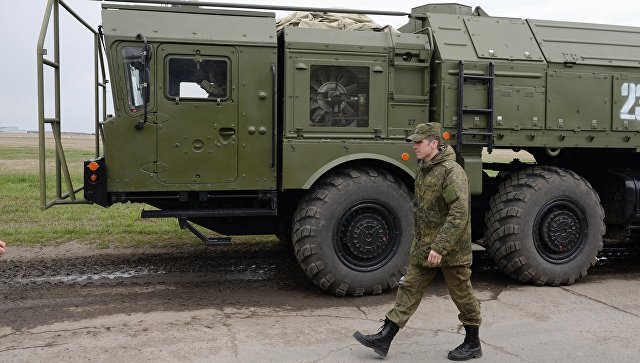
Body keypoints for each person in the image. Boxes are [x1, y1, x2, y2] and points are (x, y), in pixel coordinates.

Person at [353, 123, 482, 361]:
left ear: (434, 143)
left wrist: (440, 247)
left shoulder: (451, 172)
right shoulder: (425, 169)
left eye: (419, 142)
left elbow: (459, 213)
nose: (414, 147)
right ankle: (385, 337)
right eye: (414, 142)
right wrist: (425, 244)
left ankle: (473, 342)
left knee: (462, 295)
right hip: (425, 247)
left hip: (450, 249)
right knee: (409, 288)